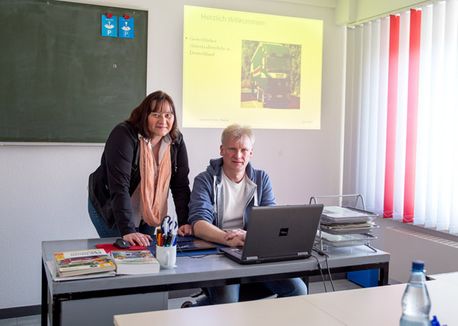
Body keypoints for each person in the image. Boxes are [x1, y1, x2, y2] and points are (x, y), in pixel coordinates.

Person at [186, 124, 307, 306]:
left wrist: (249, 238)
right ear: (222, 150)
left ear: (251, 153)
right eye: (232, 149)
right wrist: (228, 239)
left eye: (244, 150)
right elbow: (199, 224)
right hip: (218, 250)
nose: (238, 155)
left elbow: (270, 221)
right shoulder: (204, 180)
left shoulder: (261, 178)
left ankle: (204, 305)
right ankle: (200, 307)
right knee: (228, 301)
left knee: (298, 290)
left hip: (252, 248)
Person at [88, 90, 192, 246]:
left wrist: (184, 222)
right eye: (156, 114)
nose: (163, 120)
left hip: (148, 210)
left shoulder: (175, 141)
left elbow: (180, 185)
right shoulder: (124, 135)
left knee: (146, 257)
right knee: (125, 254)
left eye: (168, 115)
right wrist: (128, 230)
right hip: (111, 208)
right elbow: (119, 186)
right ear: (145, 116)